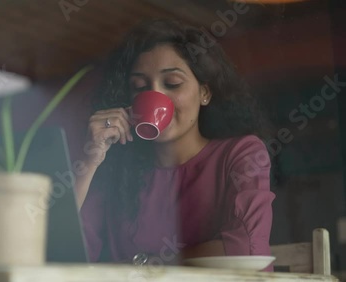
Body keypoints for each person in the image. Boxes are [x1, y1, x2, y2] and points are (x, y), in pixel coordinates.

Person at [74, 18, 276, 269]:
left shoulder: (240, 153)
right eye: (140, 87)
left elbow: (246, 248)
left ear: (205, 93)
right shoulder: (116, 167)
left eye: (172, 84)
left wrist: (147, 264)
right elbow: (66, 252)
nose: (156, 97)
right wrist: (89, 160)